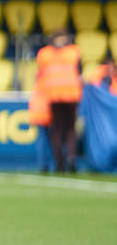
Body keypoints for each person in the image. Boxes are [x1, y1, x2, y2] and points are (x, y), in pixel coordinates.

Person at [35, 32, 83, 173]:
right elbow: (79, 75)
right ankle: (71, 159)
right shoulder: (73, 52)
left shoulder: (44, 54)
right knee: (70, 130)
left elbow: (39, 75)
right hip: (71, 95)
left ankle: (60, 163)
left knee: (57, 130)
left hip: (54, 95)